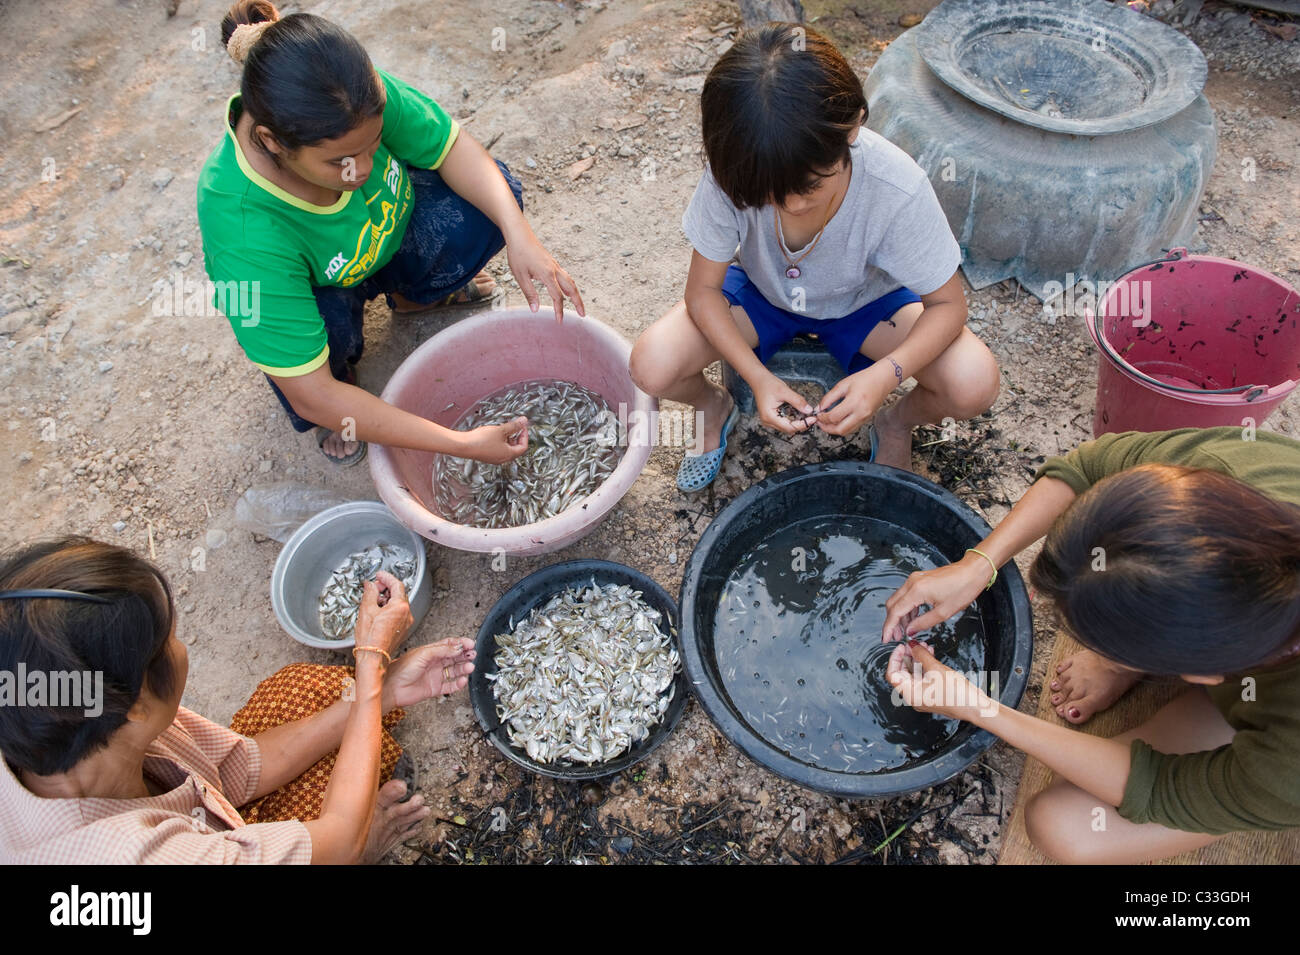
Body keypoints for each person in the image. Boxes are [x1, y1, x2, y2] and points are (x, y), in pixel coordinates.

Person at [881, 427, 1300, 863]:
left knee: (1063, 828)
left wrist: (981, 709)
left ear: (1203, 674)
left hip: (1277, 738)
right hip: (1250, 659)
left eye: (1111, 647)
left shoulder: (1290, 767)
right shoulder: (1233, 478)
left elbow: (1162, 787)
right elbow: (1087, 467)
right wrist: (979, 562)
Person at [198, 1, 584, 465]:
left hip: (381, 235)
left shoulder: (351, 94)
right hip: (324, 286)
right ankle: (345, 392)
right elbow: (310, 392)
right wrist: (461, 444)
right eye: (339, 161)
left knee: (492, 202)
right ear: (271, 141)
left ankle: (414, 296)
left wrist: (521, 234)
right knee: (322, 365)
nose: (361, 170)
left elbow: (452, 149)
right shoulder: (242, 228)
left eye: (373, 145)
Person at [628, 23, 999, 488]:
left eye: (810, 185)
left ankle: (895, 424)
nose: (792, 205)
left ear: (852, 126)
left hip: (866, 305)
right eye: (767, 194)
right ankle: (713, 406)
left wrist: (886, 376)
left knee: (974, 381)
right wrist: (757, 378)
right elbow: (702, 293)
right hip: (763, 294)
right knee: (651, 365)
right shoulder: (736, 167)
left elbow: (948, 306)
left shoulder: (896, 188)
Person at [0, 537, 474, 864]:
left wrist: (385, 687)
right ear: (138, 704)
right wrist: (370, 660)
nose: (180, 646)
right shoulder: (133, 857)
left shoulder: (73, 716)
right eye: (169, 638)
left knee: (299, 692)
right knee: (349, 815)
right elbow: (339, 840)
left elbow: (240, 766)